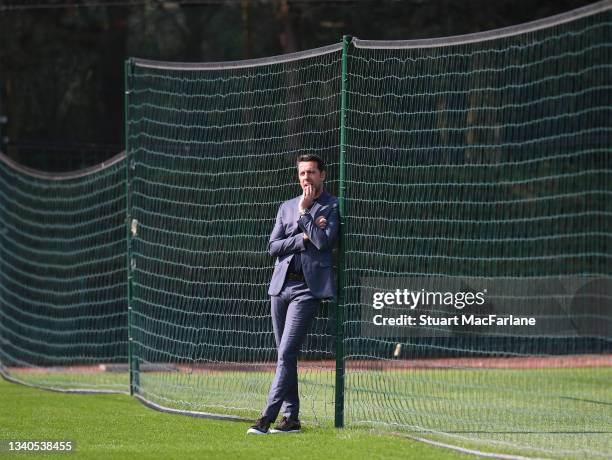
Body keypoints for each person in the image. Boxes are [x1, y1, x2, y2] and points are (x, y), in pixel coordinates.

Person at [247, 153, 339, 434]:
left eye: (311, 172)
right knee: (284, 355)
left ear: (323, 175)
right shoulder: (284, 206)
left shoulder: (333, 206)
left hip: (307, 291)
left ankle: (266, 418)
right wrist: (302, 236)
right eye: (302, 173)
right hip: (280, 287)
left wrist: (304, 212)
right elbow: (272, 247)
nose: (306, 178)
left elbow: (323, 242)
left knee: (286, 352)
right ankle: (292, 419)